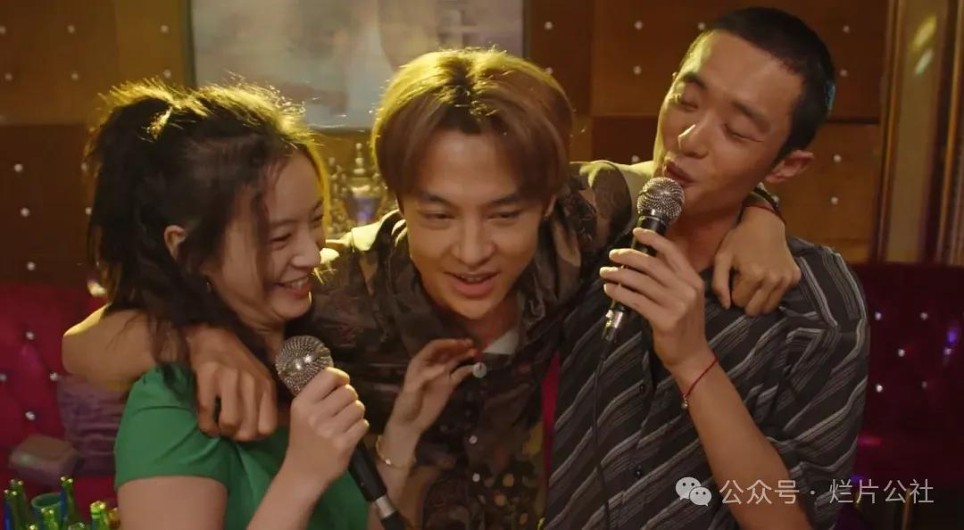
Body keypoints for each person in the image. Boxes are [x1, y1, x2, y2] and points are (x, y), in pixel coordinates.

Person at [65, 50, 799, 528]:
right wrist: (201, 335)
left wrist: (762, 215)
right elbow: (86, 349)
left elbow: (693, 180)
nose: (472, 252)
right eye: (438, 215)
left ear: (547, 201)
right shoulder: (327, 287)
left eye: (504, 215)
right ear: (396, 202)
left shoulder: (583, 221)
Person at [85, 81, 472, 530]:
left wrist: (403, 432)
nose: (311, 254)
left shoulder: (301, 358)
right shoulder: (171, 409)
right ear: (190, 251)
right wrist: (301, 479)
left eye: (316, 221)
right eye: (278, 238)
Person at [543, 8, 869, 530]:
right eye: (686, 101)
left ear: (786, 165)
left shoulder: (818, 302)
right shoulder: (591, 231)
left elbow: (792, 521)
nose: (690, 137)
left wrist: (693, 361)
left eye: (736, 131)